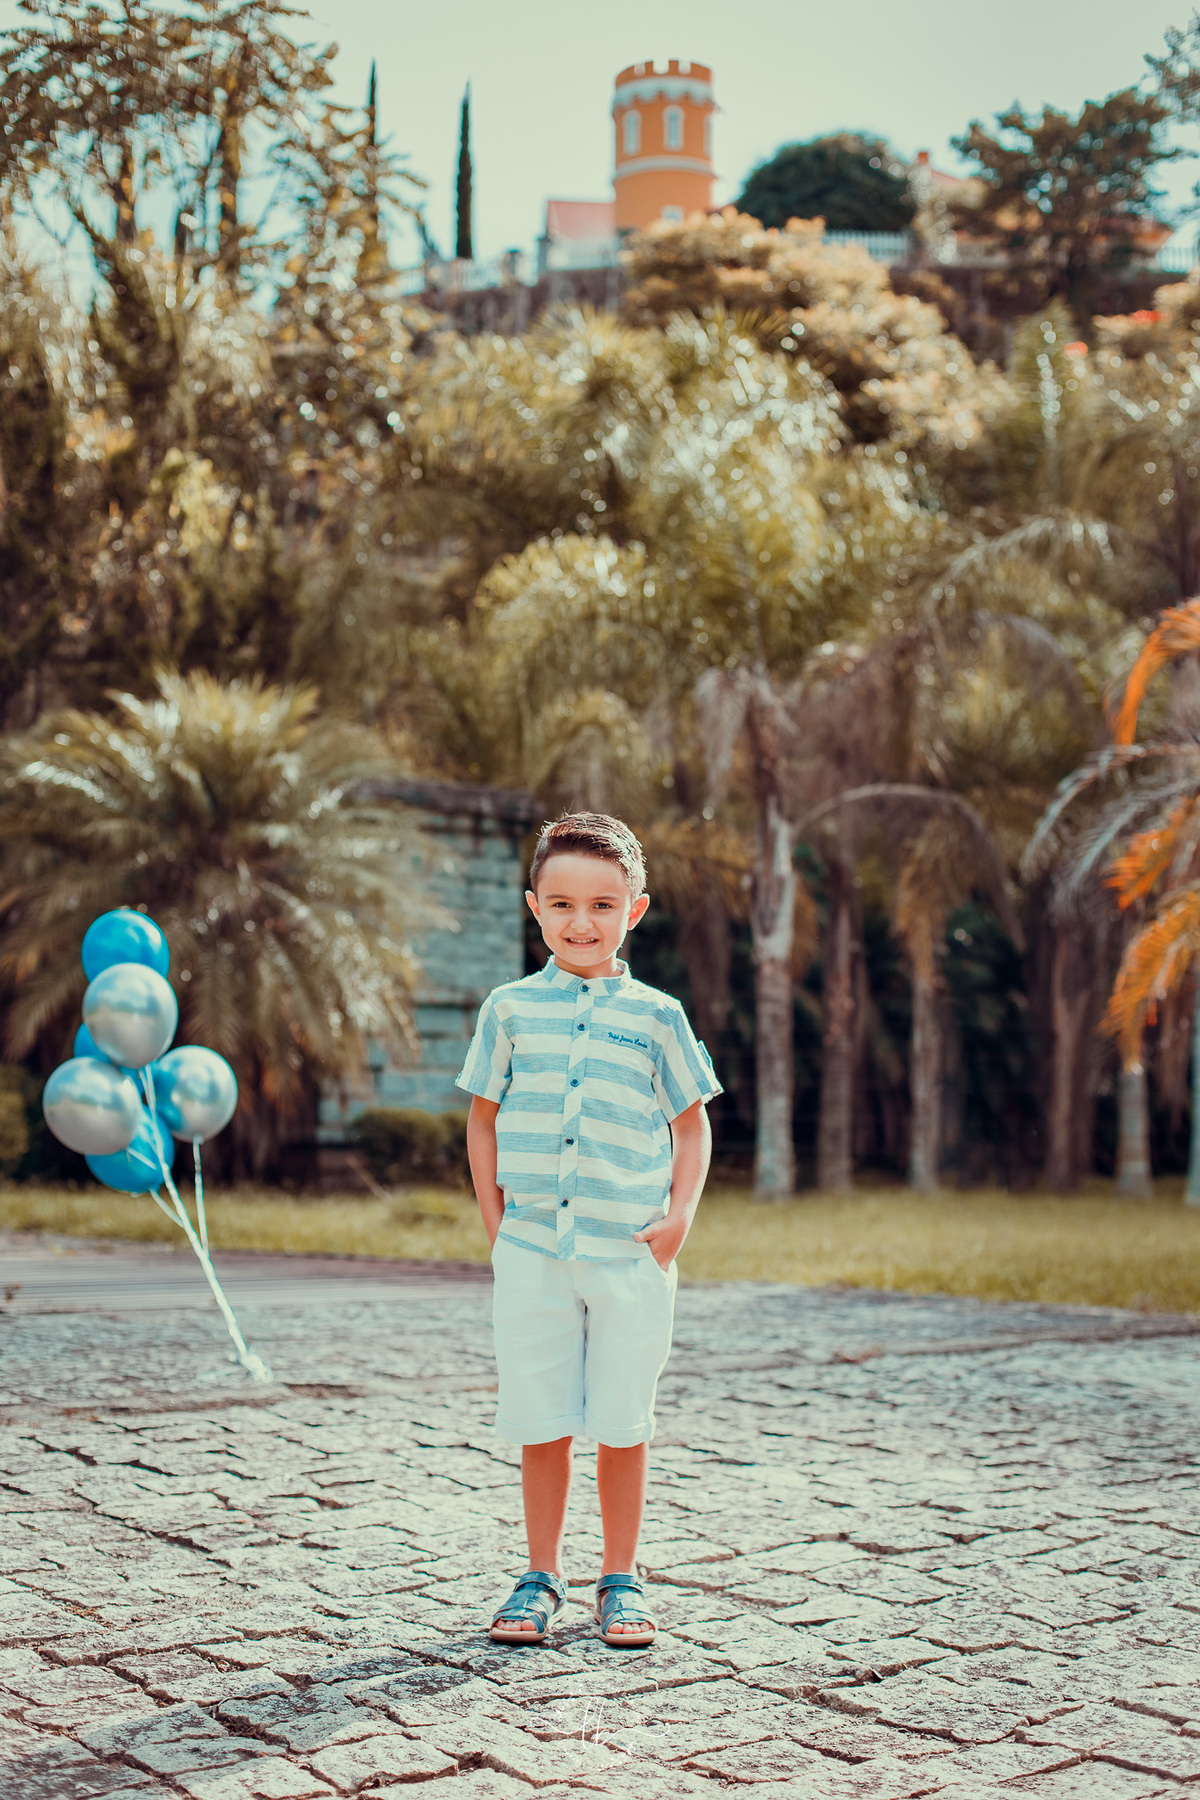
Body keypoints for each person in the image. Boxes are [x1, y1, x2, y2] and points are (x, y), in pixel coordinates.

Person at [457, 811, 721, 1647]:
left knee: (620, 1419)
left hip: (629, 1255)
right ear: (535, 906)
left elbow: (691, 1126)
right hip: (533, 1251)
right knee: (540, 1419)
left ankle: (621, 1577)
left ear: (634, 912)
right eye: (563, 903)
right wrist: (497, 1222)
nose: (581, 922)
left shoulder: (658, 1016)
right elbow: (482, 1119)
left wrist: (678, 1218)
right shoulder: (508, 1011)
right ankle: (540, 1575)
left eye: (603, 906)